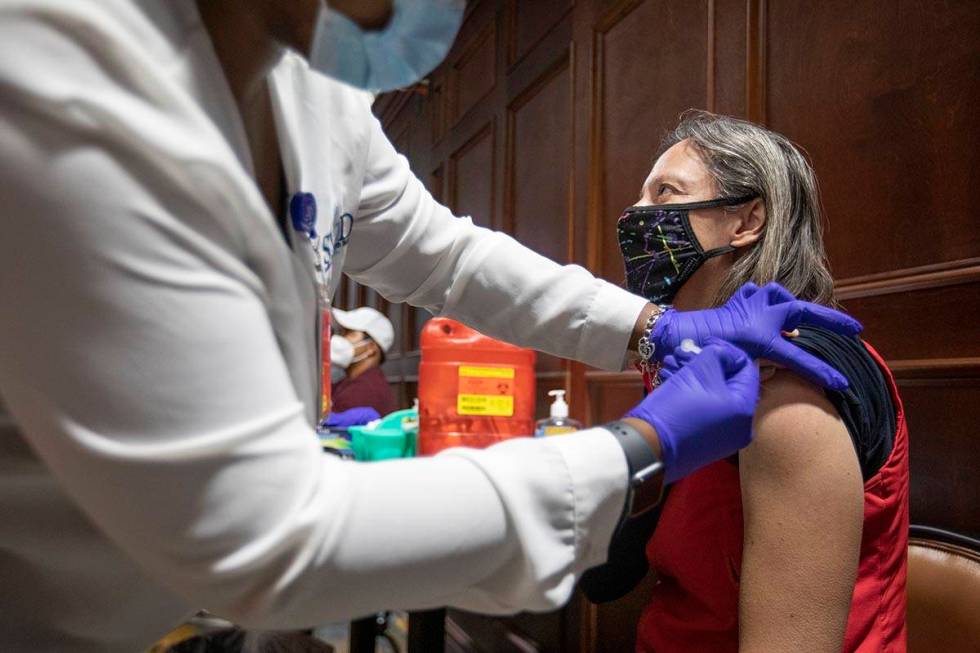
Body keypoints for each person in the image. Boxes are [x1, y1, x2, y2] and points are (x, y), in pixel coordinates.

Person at [0, 2, 860, 651]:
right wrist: (636, 446)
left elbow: (443, 253)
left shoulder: (318, 95)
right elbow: (271, 533)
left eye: (666, 197)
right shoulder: (58, 79)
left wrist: (645, 326)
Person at [586, 111, 908, 652]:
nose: (636, 215)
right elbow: (607, 574)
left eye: (665, 193)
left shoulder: (787, 379)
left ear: (747, 221)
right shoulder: (688, 363)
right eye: (641, 197)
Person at [330, 307, 398, 417]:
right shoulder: (350, 381)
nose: (340, 339)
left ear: (370, 348)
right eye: (342, 332)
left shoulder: (364, 391)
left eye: (350, 334)